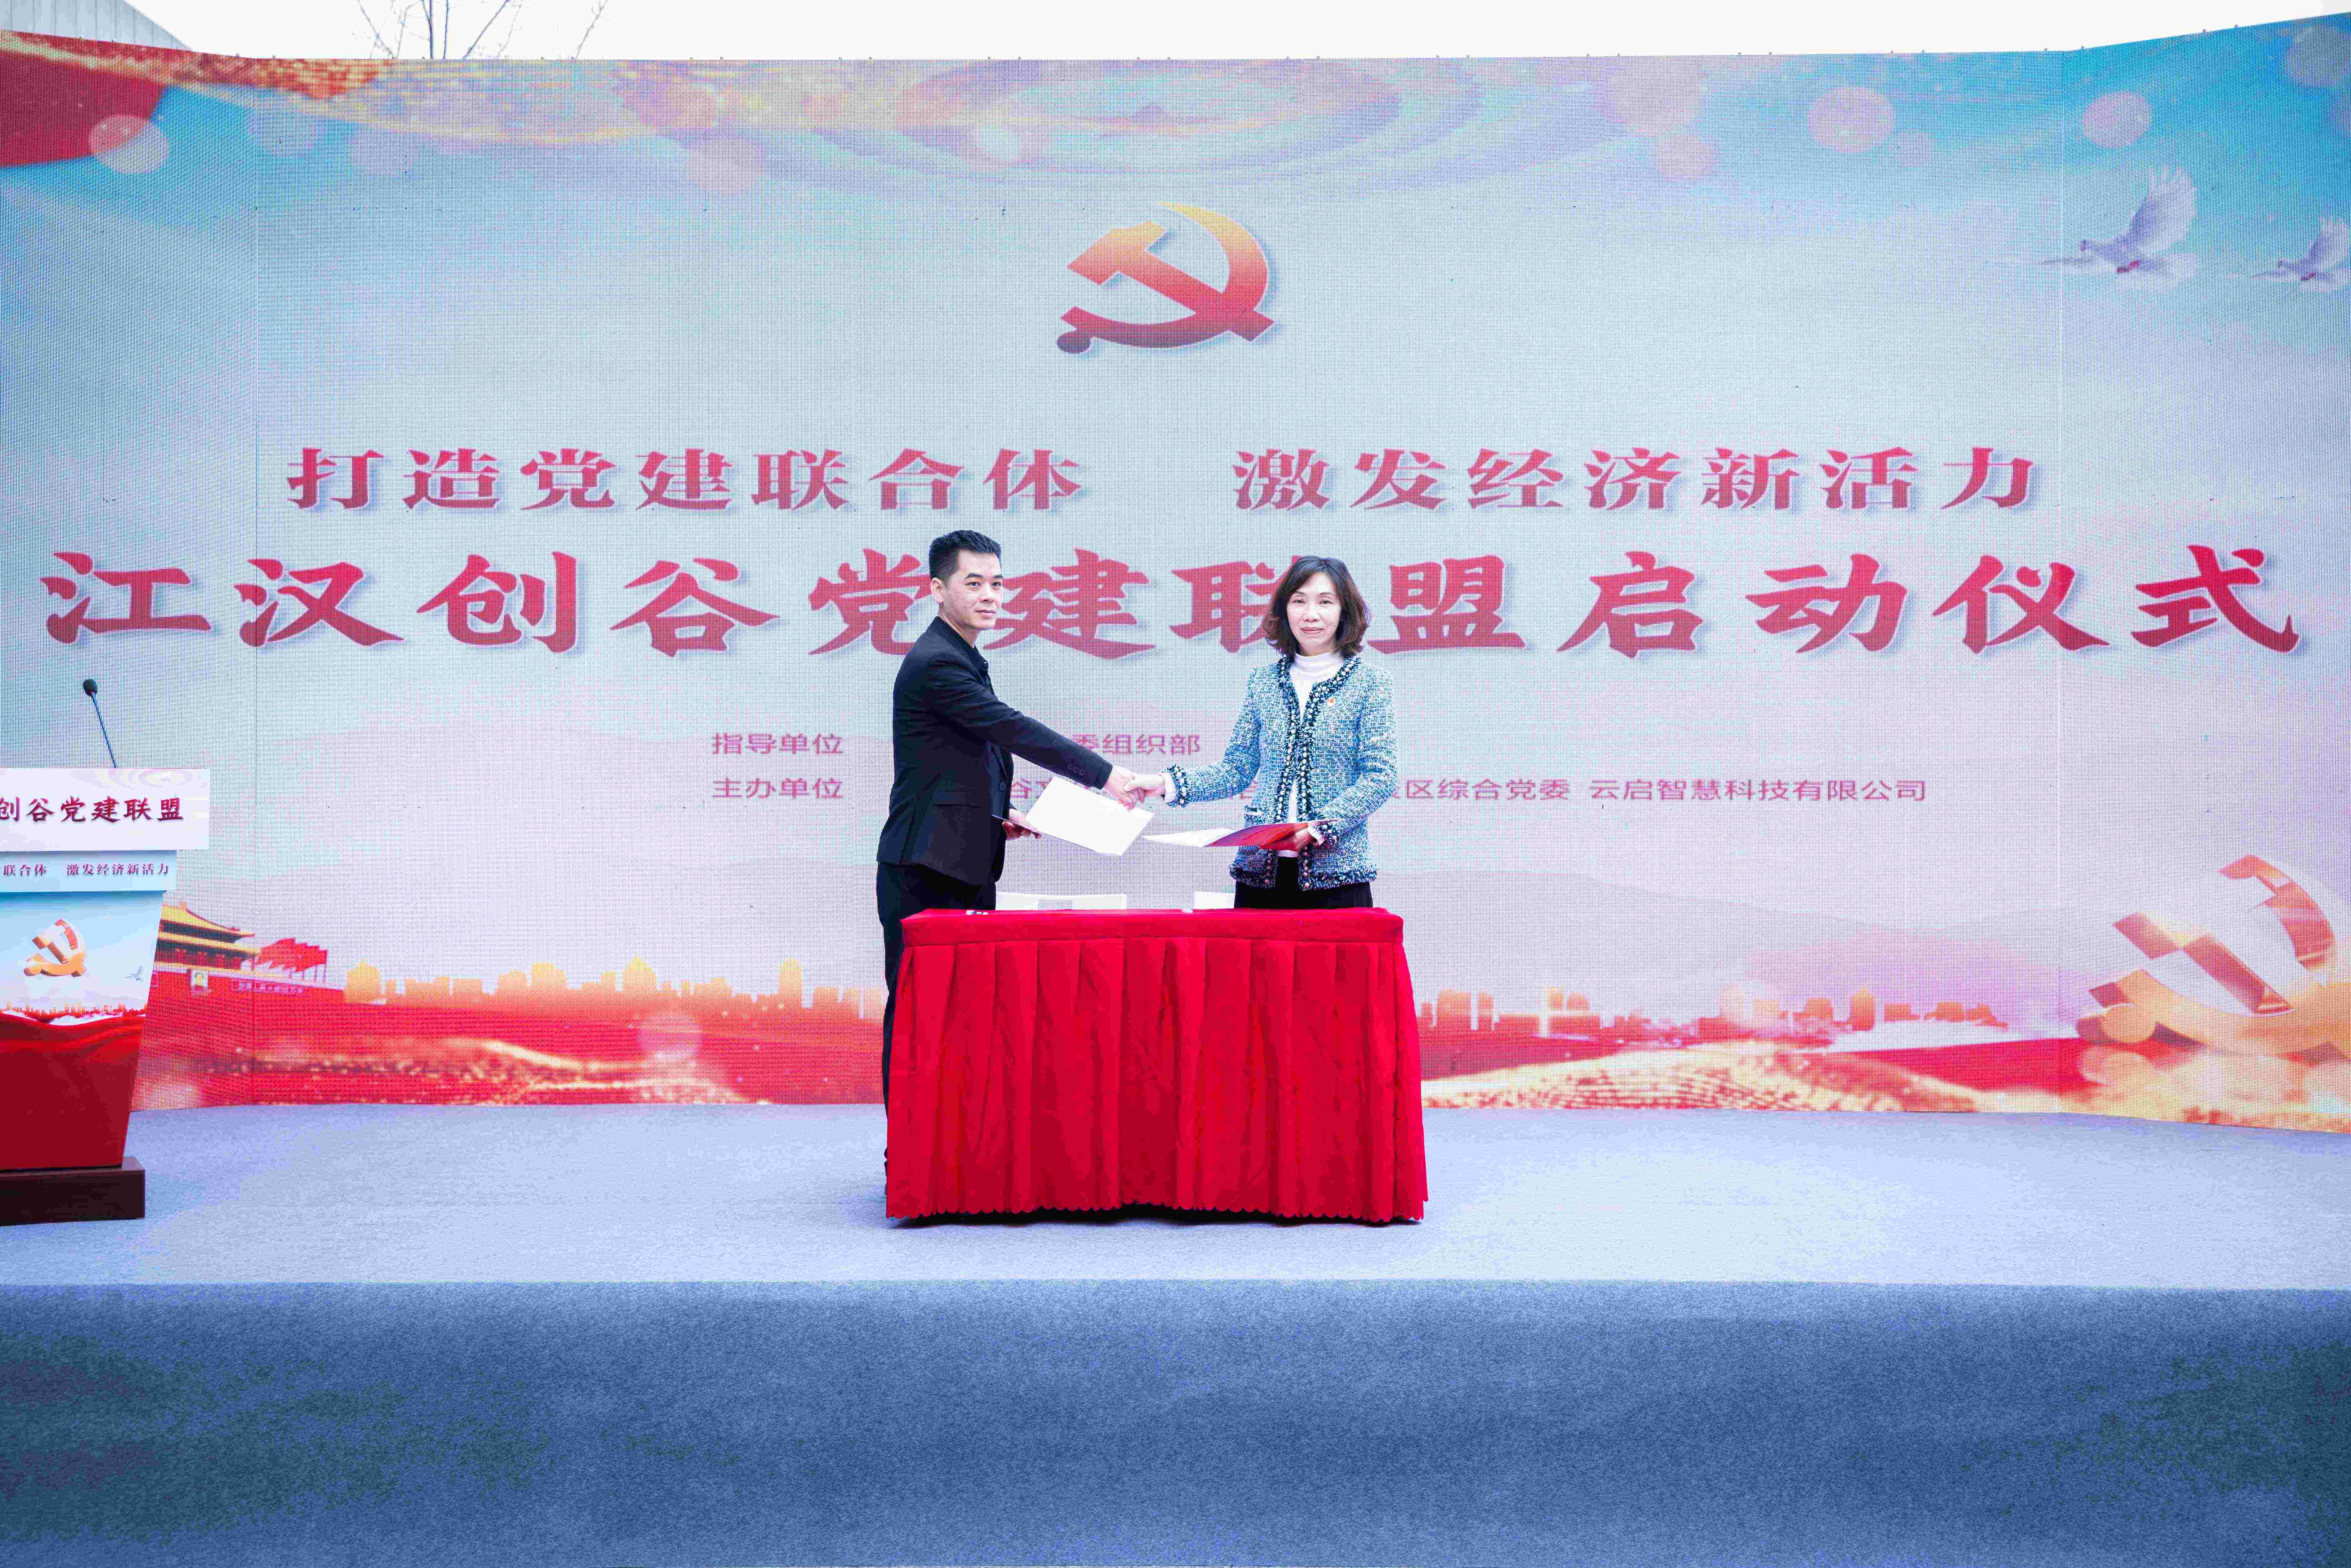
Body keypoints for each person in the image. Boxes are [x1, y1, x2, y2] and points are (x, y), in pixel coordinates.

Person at [876, 529, 1154, 1104]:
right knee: (918, 1018)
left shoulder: (962, 656)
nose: (990, 596)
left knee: (960, 1021)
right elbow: (1012, 729)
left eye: (998, 584)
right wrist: (1108, 776)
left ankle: (947, 1146)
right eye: (973, 583)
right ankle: (905, 1147)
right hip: (925, 869)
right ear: (937, 590)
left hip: (959, 860)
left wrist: (996, 814)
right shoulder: (936, 662)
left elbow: (953, 762)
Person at [1139, 555, 1396, 909]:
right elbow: (1237, 769)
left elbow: (1381, 777)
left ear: (1344, 611)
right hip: (1261, 874)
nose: (1311, 614)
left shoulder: (1370, 683)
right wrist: (1166, 784)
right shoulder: (1264, 682)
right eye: (1299, 601)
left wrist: (1319, 827)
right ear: (1284, 610)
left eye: (1325, 602)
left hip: (1337, 877)